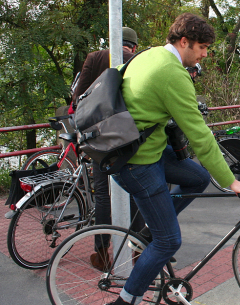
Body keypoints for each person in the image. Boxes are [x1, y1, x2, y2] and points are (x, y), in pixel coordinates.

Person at [107, 13, 240, 305]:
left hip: (144, 150)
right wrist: (230, 181)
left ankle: (152, 229)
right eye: (201, 47)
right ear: (184, 41)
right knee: (169, 241)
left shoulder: (149, 55)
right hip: (136, 164)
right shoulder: (172, 73)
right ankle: (125, 301)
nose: (204, 54)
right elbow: (200, 135)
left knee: (198, 177)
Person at [71, 27, 144, 272]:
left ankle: (102, 254)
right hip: (129, 137)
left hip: (99, 138)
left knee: (102, 195)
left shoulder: (95, 57)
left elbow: (79, 98)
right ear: (133, 46)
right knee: (136, 193)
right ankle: (137, 252)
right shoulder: (138, 61)